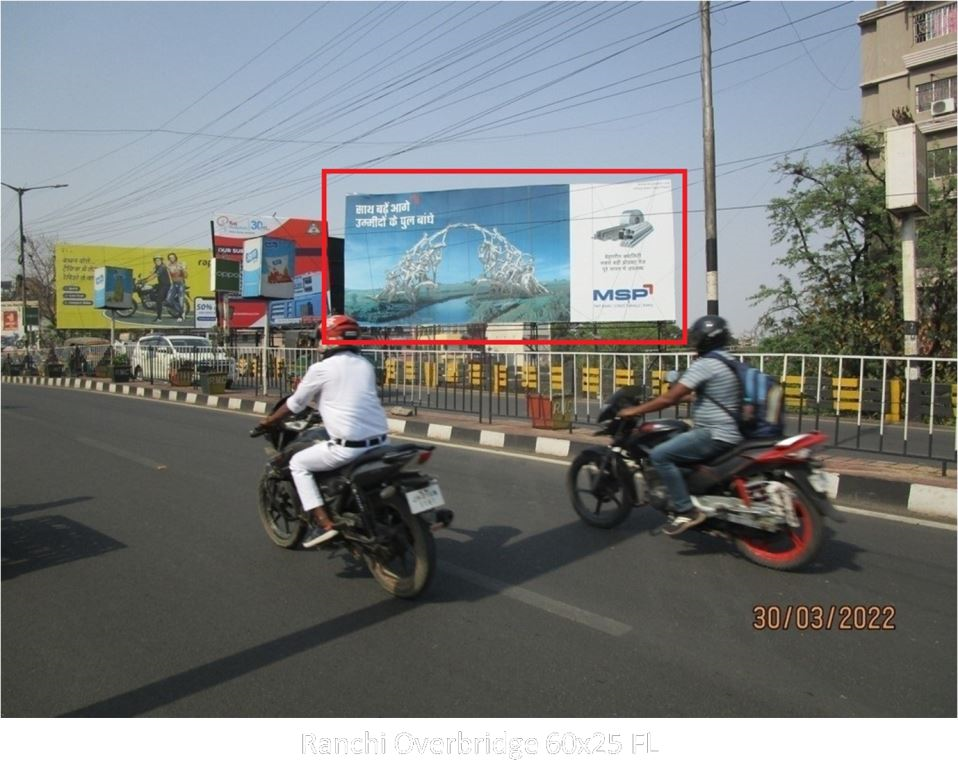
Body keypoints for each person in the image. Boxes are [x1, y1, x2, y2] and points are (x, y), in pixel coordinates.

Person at [256, 315, 389, 548]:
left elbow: (295, 404)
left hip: (348, 448)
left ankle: (324, 523)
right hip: (380, 443)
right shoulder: (365, 365)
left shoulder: (321, 368)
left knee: (298, 464)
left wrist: (268, 421)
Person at [617, 315, 743, 536]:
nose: (694, 344)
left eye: (696, 339)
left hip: (712, 434)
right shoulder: (729, 362)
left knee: (660, 456)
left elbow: (669, 399)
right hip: (730, 432)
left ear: (704, 339)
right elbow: (704, 396)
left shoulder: (705, 364)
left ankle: (686, 510)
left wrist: (634, 410)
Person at [165, 252, 188, 321]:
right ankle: (182, 311)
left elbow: (186, 276)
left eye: (173, 257)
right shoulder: (168, 265)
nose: (172, 258)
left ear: (175, 257)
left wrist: (183, 269)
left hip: (181, 283)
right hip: (173, 284)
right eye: (170, 257)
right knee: (168, 300)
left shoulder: (180, 264)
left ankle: (180, 315)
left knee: (181, 300)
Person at [151, 256, 172, 323]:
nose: (157, 262)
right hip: (161, 284)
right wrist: (144, 279)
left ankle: (159, 318)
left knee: (159, 300)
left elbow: (155, 275)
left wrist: (146, 281)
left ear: (161, 261)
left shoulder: (162, 267)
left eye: (159, 260)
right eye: (156, 260)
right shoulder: (158, 267)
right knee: (151, 290)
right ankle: (155, 307)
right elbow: (153, 273)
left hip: (165, 285)